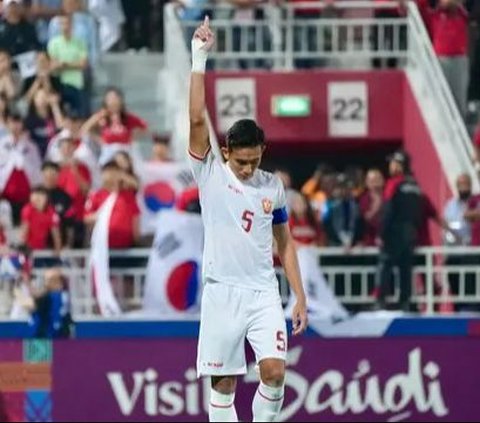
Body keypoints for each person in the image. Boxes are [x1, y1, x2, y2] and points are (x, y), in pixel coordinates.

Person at [189, 17, 307, 423]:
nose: (247, 168)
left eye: (254, 160)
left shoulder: (272, 186)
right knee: (224, 384)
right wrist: (198, 59)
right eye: (241, 161)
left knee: (275, 372)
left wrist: (299, 295)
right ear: (226, 151)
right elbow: (195, 120)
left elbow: (285, 243)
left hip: (262, 292)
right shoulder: (210, 173)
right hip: (222, 291)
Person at [375, 151, 423, 312]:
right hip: (411, 233)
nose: (390, 166)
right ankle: (405, 302)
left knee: (385, 265)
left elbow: (388, 210)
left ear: (399, 165)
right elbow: (419, 212)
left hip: (394, 232)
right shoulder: (415, 185)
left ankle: (381, 300)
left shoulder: (393, 184)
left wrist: (381, 233)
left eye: (393, 163)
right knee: (405, 269)